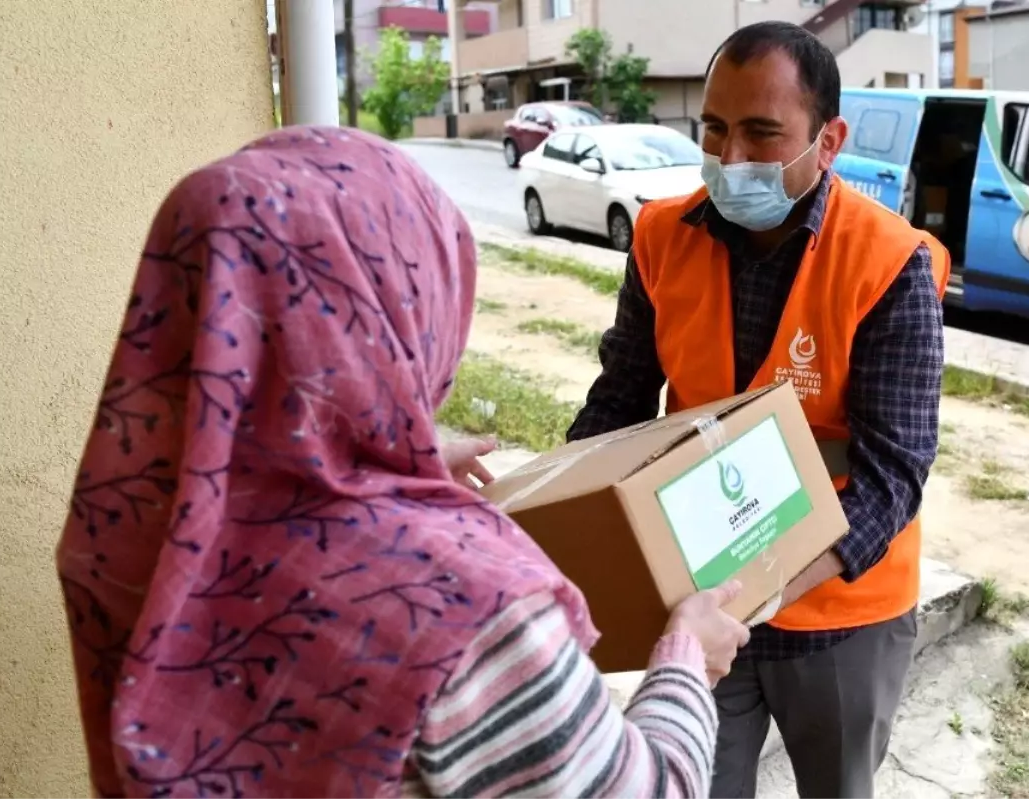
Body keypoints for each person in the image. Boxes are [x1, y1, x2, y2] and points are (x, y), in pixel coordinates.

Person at [56, 125, 753, 798]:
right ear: (400, 305)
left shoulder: (126, 532)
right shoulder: (465, 605)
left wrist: (376, 478)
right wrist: (686, 662)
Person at [567, 22, 949, 799]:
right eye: (713, 128)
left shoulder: (887, 263)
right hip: (694, 603)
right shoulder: (661, 237)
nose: (729, 158)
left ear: (829, 141)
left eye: (761, 133)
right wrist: (561, 522)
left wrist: (760, 585)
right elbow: (619, 402)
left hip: (841, 608)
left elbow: (893, 475)